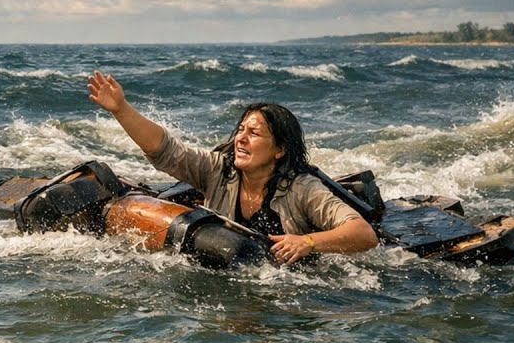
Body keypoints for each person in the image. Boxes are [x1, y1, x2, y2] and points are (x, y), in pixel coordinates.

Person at [86, 71, 378, 265]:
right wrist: (121, 109)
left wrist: (307, 242)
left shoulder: (302, 188)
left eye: (254, 133)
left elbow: (363, 234)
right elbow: (166, 150)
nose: (241, 138)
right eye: (240, 130)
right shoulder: (217, 170)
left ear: (279, 150)